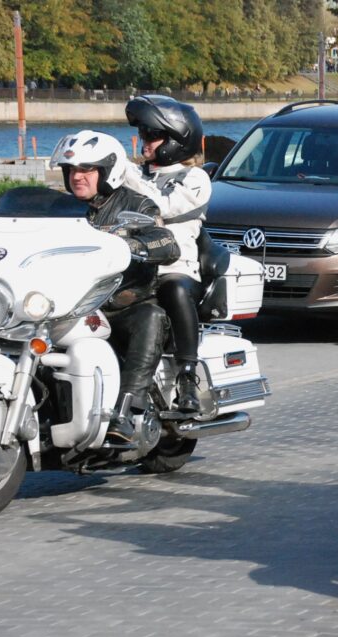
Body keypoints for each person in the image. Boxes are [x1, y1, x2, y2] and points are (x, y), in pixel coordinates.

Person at [50, 131, 180, 444]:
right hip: (67, 307)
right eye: (71, 170)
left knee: (151, 318)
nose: (77, 177)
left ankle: (127, 410)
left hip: (121, 307)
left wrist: (133, 245)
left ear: (108, 171)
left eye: (86, 169)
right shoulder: (58, 209)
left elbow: (167, 243)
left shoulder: (136, 204)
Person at [121, 95, 211, 413]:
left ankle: (187, 376)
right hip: (131, 264)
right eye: (142, 133)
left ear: (176, 140)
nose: (144, 140)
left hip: (175, 266)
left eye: (152, 135)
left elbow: (161, 206)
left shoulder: (194, 178)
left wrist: (123, 170)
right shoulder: (136, 174)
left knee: (174, 288)